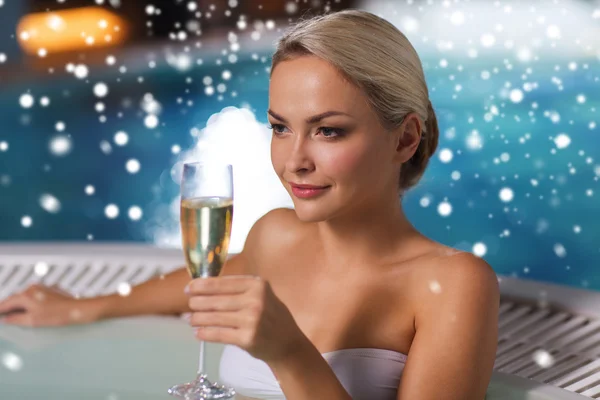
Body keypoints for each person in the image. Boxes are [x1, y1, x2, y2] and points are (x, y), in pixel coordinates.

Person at [0, 9, 499, 400]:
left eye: (328, 131)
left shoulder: (452, 284)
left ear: (405, 139)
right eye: (281, 127)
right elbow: (204, 283)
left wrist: (291, 355)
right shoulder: (276, 235)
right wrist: (83, 309)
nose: (294, 160)